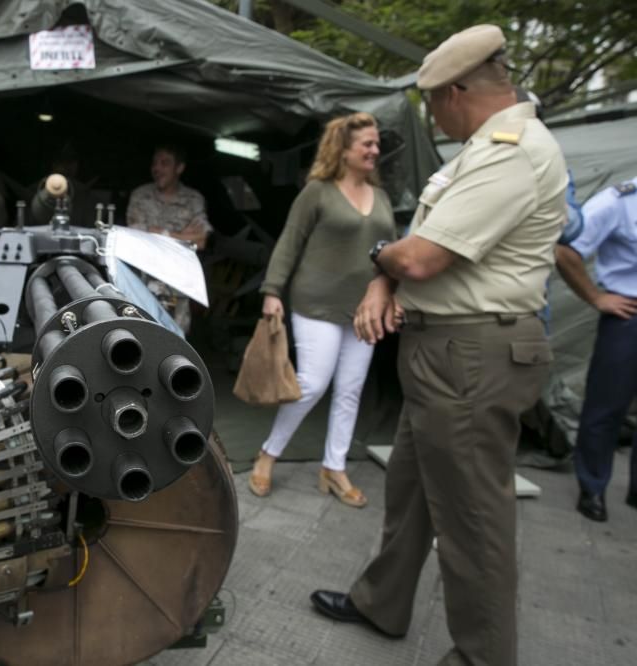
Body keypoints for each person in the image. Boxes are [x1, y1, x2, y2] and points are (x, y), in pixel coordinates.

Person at [309, 26, 567, 666]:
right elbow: (418, 258)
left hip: (472, 354)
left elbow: (421, 256)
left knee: (473, 520)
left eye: (433, 104)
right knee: (413, 491)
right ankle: (382, 602)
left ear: (456, 91)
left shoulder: (510, 150)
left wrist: (382, 260)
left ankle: (483, 655)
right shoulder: (484, 150)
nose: (433, 117)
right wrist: (384, 275)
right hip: (445, 354)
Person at [247, 112, 395, 506]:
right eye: (367, 143)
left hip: (363, 310)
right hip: (316, 303)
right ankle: (268, 454)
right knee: (312, 383)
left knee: (350, 389)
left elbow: (391, 253)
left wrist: (392, 295)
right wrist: (272, 290)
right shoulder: (318, 191)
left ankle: (334, 467)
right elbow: (289, 242)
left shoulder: (380, 197)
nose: (375, 150)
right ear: (343, 149)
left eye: (376, 143)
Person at [554, 176, 637, 522]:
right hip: (629, 316)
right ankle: (592, 486)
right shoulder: (620, 200)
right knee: (607, 404)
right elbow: (567, 250)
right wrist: (596, 297)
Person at [126, 144, 212, 333]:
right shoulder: (140, 196)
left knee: (175, 347)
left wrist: (162, 233)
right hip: (140, 287)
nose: (157, 168)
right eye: (155, 163)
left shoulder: (193, 199)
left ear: (179, 168)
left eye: (165, 163)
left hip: (176, 290)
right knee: (138, 340)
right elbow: (136, 238)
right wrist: (183, 236)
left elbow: (202, 240)